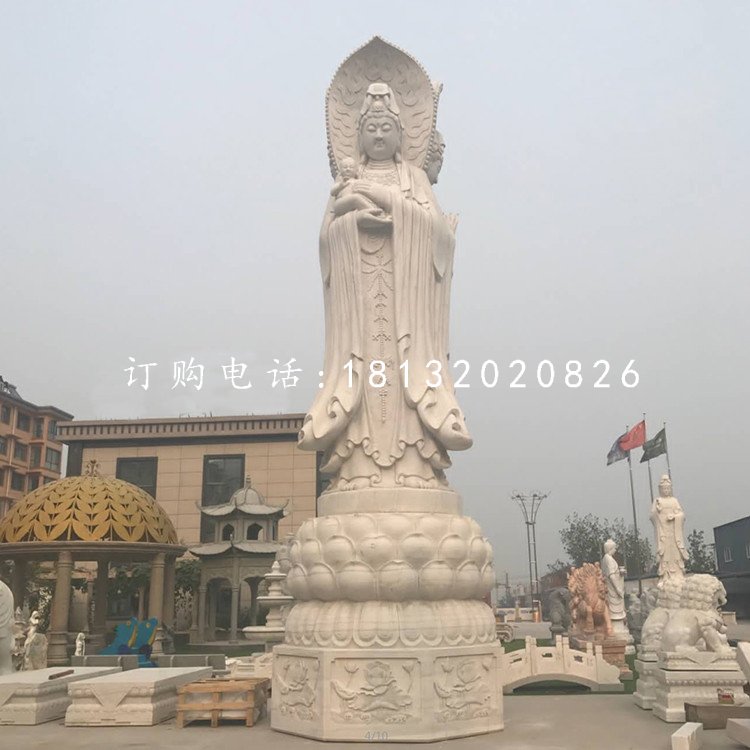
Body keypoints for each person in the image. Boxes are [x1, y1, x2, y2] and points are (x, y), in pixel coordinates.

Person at [299, 82, 472, 491]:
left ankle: (415, 468)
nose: (378, 135)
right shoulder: (348, 179)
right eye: (371, 128)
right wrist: (352, 223)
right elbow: (325, 240)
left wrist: (385, 199)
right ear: (358, 136)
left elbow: (437, 234)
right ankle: (357, 471)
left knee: (406, 379)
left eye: (386, 128)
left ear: (401, 135)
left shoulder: (414, 177)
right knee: (360, 380)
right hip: (359, 310)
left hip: (407, 308)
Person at [650, 474, 689, 581]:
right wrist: (657, 511)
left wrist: (675, 517)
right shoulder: (657, 501)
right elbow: (652, 516)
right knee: (665, 553)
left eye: (668, 488)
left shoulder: (674, 500)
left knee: (676, 552)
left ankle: (678, 573)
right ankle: (666, 575)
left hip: (674, 532)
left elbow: (682, 515)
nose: (666, 490)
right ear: (660, 489)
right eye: (664, 489)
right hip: (663, 532)